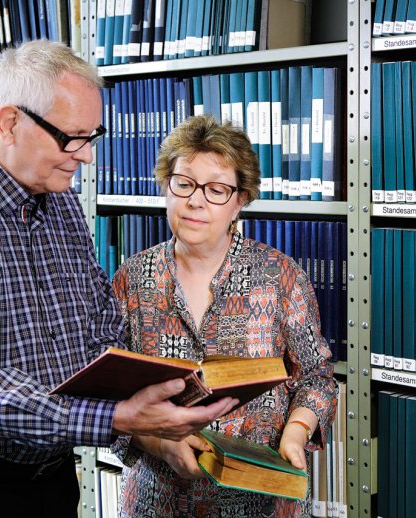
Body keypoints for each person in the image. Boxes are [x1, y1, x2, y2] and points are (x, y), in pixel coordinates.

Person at [0, 40, 236, 518]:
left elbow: (98, 329)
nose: (86, 156)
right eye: (72, 137)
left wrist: (150, 423)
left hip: (50, 480)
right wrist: (117, 418)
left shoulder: (61, 201)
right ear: (10, 123)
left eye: (93, 136)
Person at [111, 114, 338, 517]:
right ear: (167, 186)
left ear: (241, 199)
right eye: (184, 184)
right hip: (156, 501)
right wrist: (159, 442)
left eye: (216, 189)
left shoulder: (279, 276)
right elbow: (112, 397)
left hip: (258, 503)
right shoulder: (133, 278)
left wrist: (296, 432)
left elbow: (317, 379)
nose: (196, 201)